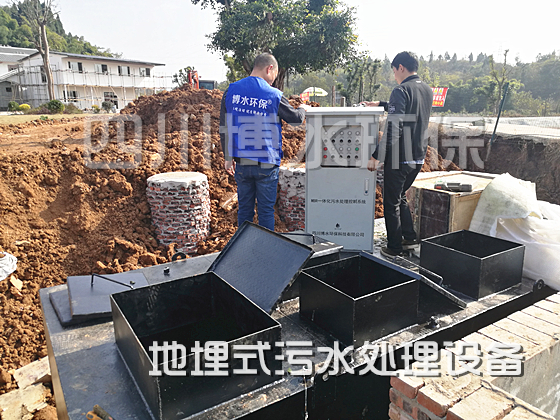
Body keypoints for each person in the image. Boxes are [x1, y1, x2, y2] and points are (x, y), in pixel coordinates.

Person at [219, 53, 310, 231]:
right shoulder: (273, 95)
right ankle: (265, 245)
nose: (273, 79)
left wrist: (228, 157)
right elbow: (295, 119)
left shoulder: (231, 91)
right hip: (266, 162)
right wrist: (302, 108)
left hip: (242, 162)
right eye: (275, 74)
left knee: (244, 209)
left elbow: (224, 126)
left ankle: (243, 244)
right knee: (266, 211)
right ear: (269, 69)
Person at [362, 51, 433, 258]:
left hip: (399, 158)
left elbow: (394, 126)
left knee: (390, 203)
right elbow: (409, 109)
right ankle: (409, 237)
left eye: (394, 71)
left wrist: (377, 155)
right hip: (418, 157)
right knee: (400, 196)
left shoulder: (400, 90)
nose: (394, 76)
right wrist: (381, 104)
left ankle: (394, 247)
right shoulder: (426, 89)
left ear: (400, 67)